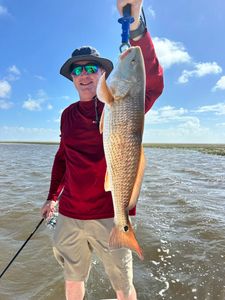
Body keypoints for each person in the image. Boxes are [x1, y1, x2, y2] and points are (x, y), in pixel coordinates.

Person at [41, 0, 164, 299]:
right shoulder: (67, 114)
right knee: (72, 281)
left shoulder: (117, 102)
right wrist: (52, 198)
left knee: (123, 288)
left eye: (91, 68)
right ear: (72, 77)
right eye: (77, 70)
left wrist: (136, 28)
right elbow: (62, 158)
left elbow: (153, 86)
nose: (84, 74)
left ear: (102, 74)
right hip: (69, 215)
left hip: (109, 215)